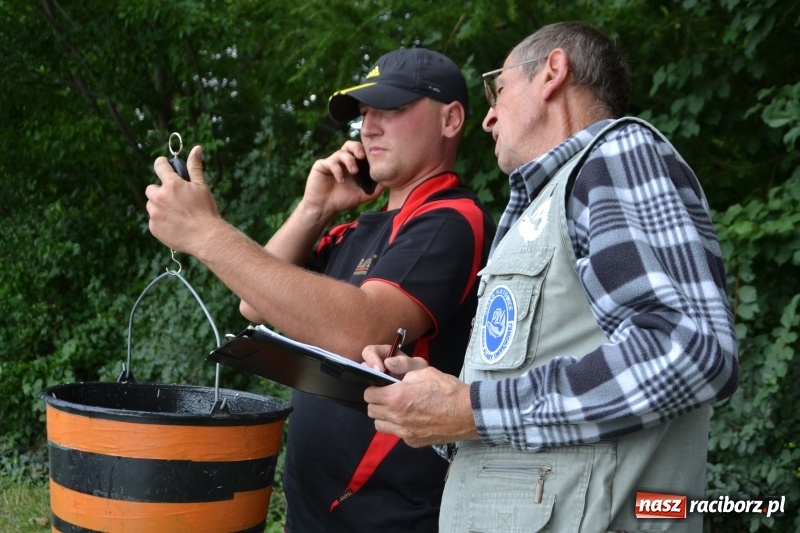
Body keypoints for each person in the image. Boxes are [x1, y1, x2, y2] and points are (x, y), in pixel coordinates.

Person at [363, 22, 739, 532]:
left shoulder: (614, 155)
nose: (487, 117)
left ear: (552, 73)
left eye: (498, 90)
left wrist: (473, 409)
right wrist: (441, 401)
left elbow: (687, 349)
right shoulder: (553, 200)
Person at [146, 47, 495, 532]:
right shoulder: (353, 231)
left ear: (450, 119)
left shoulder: (451, 219)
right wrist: (315, 208)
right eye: (366, 113)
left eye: (391, 110)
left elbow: (362, 329)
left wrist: (205, 233)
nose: (369, 127)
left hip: (388, 517)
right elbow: (255, 301)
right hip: (313, 509)